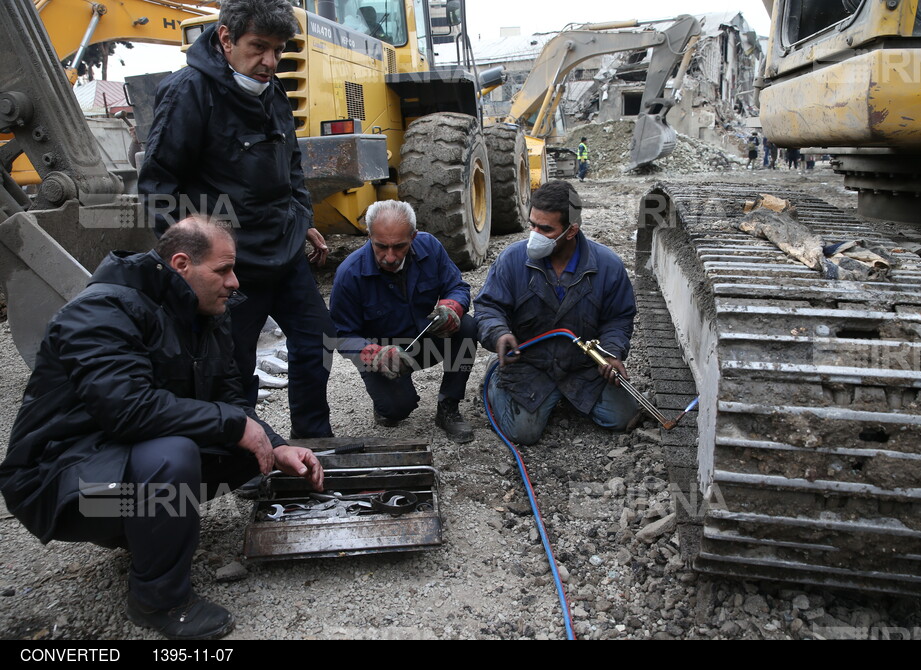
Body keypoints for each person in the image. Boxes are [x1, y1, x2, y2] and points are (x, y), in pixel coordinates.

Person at [0, 218, 324, 640]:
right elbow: (128, 410)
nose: (234, 281)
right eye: (223, 270)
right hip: (64, 493)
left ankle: (144, 529)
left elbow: (230, 403)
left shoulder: (205, 314)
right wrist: (234, 424)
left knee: (247, 451)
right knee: (172, 456)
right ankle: (159, 599)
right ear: (181, 263)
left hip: (116, 473)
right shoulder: (101, 311)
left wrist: (277, 446)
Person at [138, 0, 337, 439]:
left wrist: (300, 216)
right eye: (259, 47)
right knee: (234, 361)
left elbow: (292, 166)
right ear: (226, 39)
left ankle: (313, 437)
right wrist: (193, 262)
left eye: (279, 50)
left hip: (284, 252)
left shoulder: (273, 91)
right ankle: (246, 453)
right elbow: (157, 187)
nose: (270, 61)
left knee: (319, 340)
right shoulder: (189, 91)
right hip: (233, 265)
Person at [474, 181, 637, 445]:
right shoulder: (512, 260)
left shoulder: (608, 266)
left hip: (581, 368)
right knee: (523, 433)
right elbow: (489, 307)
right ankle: (495, 382)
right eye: (532, 225)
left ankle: (563, 396)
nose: (534, 234)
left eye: (545, 229)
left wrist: (611, 352)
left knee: (622, 417)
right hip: (529, 365)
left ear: (572, 231)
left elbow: (618, 318)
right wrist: (499, 333)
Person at [330, 201, 477, 443]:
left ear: (413, 236)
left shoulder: (430, 246)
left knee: (467, 326)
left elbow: (457, 286)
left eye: (399, 247)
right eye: (381, 246)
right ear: (369, 236)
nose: (390, 256)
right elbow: (341, 334)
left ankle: (448, 406)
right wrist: (372, 354)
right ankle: (388, 400)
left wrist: (453, 307)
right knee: (396, 411)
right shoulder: (350, 274)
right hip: (383, 357)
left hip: (424, 340)